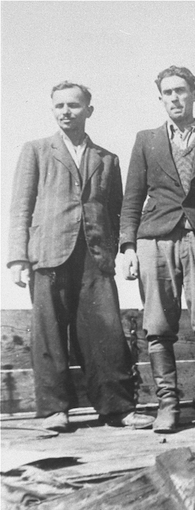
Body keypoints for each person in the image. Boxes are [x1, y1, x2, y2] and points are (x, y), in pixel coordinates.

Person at [6, 81, 154, 432]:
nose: (66, 112)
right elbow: (21, 207)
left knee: (105, 331)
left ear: (89, 110)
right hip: (48, 255)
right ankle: (55, 410)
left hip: (94, 255)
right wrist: (17, 257)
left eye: (73, 105)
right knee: (49, 333)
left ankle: (116, 407)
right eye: (59, 106)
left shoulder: (107, 159)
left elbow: (118, 211)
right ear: (52, 109)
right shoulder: (36, 150)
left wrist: (120, 250)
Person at [120, 66, 195, 435]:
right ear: (160, 98)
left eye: (181, 91)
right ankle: (167, 407)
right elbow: (132, 199)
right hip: (155, 240)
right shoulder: (147, 140)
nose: (175, 98)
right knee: (158, 325)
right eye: (168, 93)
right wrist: (128, 246)